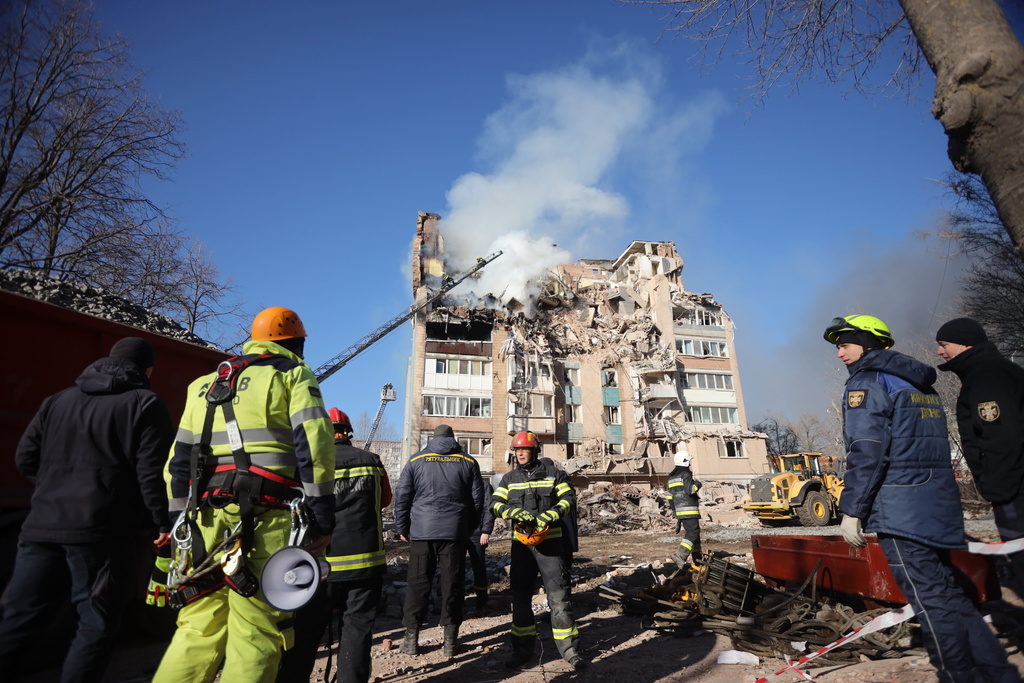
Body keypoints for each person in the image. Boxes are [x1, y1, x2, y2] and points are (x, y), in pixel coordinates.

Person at [825, 314, 1018, 683]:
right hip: (936, 503)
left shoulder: (867, 382)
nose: (839, 354)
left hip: (900, 510)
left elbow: (867, 450)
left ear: (867, 343)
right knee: (949, 595)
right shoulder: (918, 382)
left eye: (844, 345)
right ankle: (998, 673)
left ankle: (958, 675)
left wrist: (852, 510)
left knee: (930, 601)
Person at [153, 307, 336, 683]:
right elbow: (315, 447)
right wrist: (321, 520)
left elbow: (177, 463)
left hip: (203, 520)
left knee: (197, 628)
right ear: (298, 345)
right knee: (256, 630)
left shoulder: (203, 385)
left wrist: (177, 524)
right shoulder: (292, 374)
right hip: (265, 518)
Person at [0, 337, 174, 683]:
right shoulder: (145, 404)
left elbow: (25, 458)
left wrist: (55, 489)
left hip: (41, 526)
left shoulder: (57, 400)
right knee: (95, 623)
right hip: (101, 533)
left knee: (19, 620)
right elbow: (151, 475)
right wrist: (161, 523)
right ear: (148, 369)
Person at [277, 408, 391, 683]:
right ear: (348, 432)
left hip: (319, 566)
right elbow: (385, 500)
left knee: (306, 632)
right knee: (357, 629)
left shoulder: (308, 463)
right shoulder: (372, 461)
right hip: (366, 563)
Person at [936, 317, 1024, 595]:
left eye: (944, 344)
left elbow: (1000, 436)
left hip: (1014, 489)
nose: (939, 351)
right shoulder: (988, 370)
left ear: (965, 344)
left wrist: (998, 487)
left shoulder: (987, 376)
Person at [491, 431, 585, 671]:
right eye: (517, 450)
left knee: (559, 599)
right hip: (521, 548)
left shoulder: (554, 474)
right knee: (520, 599)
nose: (520, 454)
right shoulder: (509, 479)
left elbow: (569, 499)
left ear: (534, 451)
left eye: (524, 449)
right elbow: (494, 504)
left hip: (550, 547)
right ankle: (522, 652)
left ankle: (571, 652)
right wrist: (512, 512)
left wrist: (552, 514)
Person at [393, 424, 484, 658]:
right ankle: (450, 643)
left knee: (418, 583)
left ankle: (411, 640)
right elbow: (477, 500)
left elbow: (403, 496)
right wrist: (469, 527)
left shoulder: (416, 460)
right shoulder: (468, 461)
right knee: (452, 584)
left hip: (422, 531)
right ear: (453, 439)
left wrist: (402, 527)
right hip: (455, 532)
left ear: (432, 439)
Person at [666, 446, 701, 567]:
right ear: (685, 461)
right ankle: (680, 555)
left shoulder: (672, 478)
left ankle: (698, 559)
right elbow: (690, 490)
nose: (690, 464)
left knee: (694, 535)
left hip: (680, 510)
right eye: (689, 461)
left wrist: (675, 511)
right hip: (689, 509)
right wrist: (698, 484)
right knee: (693, 533)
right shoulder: (685, 474)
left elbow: (669, 496)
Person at [467, 475, 496, 615]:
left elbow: (489, 508)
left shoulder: (483, 484)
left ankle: (481, 603)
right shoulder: (457, 480)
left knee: (478, 566)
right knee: (455, 568)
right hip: (458, 533)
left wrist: (486, 531)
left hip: (477, 533)